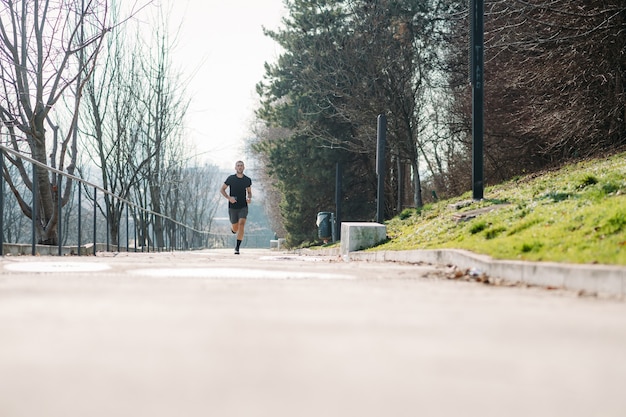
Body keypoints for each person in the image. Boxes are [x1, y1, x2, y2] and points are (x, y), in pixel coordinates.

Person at [220, 160, 252, 254]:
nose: (240, 167)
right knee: (235, 228)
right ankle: (233, 229)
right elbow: (222, 189)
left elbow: (249, 192)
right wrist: (228, 198)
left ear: (244, 167)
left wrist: (249, 198)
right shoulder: (231, 178)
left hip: (243, 206)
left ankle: (237, 248)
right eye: (238, 165)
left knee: (242, 224)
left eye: (241, 165)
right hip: (233, 207)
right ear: (235, 168)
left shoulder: (247, 180)